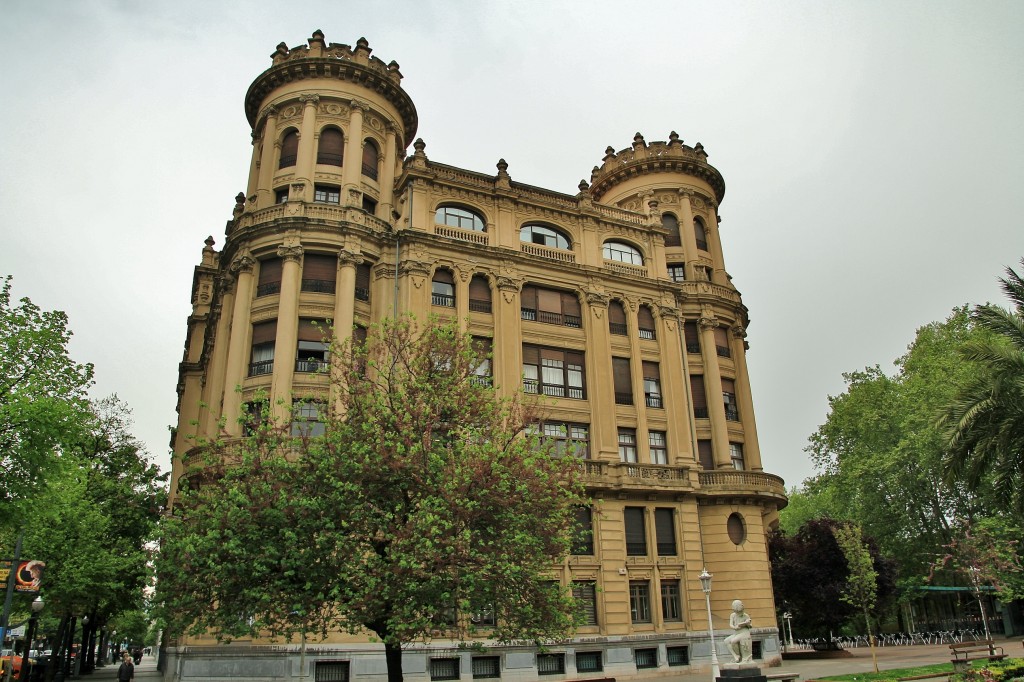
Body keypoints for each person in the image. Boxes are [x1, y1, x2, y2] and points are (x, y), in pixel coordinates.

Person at [724, 599, 753, 663]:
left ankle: (739, 656)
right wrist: (735, 627)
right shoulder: (732, 615)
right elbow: (731, 624)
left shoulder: (745, 615)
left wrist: (746, 623)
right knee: (726, 641)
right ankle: (736, 656)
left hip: (744, 633)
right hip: (737, 633)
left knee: (733, 641)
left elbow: (750, 626)